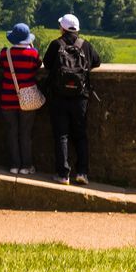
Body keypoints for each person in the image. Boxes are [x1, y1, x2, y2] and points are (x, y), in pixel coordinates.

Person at [40, 13, 101, 186]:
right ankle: (82, 172)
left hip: (59, 97)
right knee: (80, 135)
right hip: (80, 97)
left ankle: (63, 174)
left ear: (63, 28)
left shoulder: (55, 44)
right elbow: (97, 61)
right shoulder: (85, 45)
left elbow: (47, 64)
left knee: (61, 135)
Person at [0, 22, 42, 175]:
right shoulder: (33, 54)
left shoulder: (5, 53)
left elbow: (2, 67)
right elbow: (37, 67)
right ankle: (26, 165)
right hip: (28, 100)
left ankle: (14, 165)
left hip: (7, 99)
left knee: (12, 132)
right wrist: (32, 47)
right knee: (25, 134)